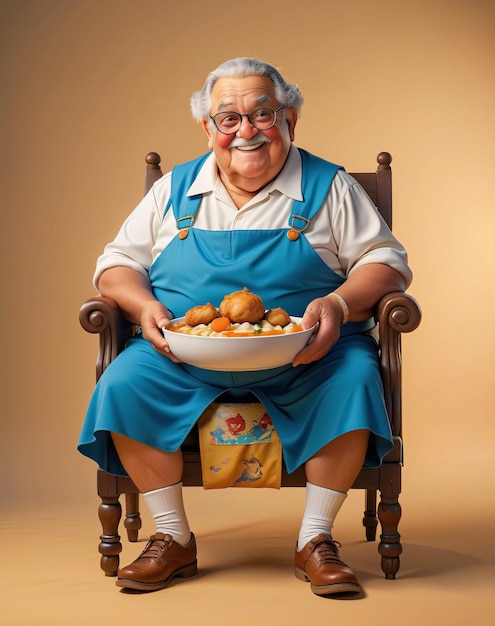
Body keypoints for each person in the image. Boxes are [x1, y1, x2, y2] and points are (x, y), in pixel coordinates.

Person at [78, 57, 412, 597]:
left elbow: (385, 260)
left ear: (290, 119)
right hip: (182, 356)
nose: (246, 131)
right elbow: (115, 264)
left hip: (308, 354)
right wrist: (141, 308)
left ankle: (316, 540)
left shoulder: (330, 186)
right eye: (228, 118)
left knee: (353, 375)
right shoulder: (172, 190)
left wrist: (339, 301)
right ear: (207, 128)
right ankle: (171, 537)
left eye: (263, 113)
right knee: (123, 382)